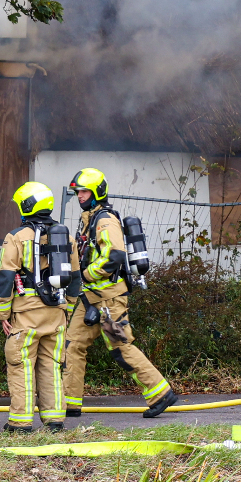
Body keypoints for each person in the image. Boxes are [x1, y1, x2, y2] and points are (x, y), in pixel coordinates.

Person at [60, 167, 179, 419]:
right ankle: (69, 403)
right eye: (78, 192)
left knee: (120, 346)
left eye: (84, 191)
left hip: (108, 299)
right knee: (72, 345)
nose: (79, 196)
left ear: (96, 192)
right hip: (90, 298)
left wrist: (84, 275)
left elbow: (114, 257)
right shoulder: (90, 220)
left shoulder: (105, 220)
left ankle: (160, 393)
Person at [0, 181, 71, 433]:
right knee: (51, 365)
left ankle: (21, 422)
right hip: (57, 313)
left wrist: (3, 313)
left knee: (21, 365)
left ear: (27, 206)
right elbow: (76, 278)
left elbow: (6, 277)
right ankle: (55, 421)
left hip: (26, 315)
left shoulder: (16, 237)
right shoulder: (65, 237)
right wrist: (66, 308)